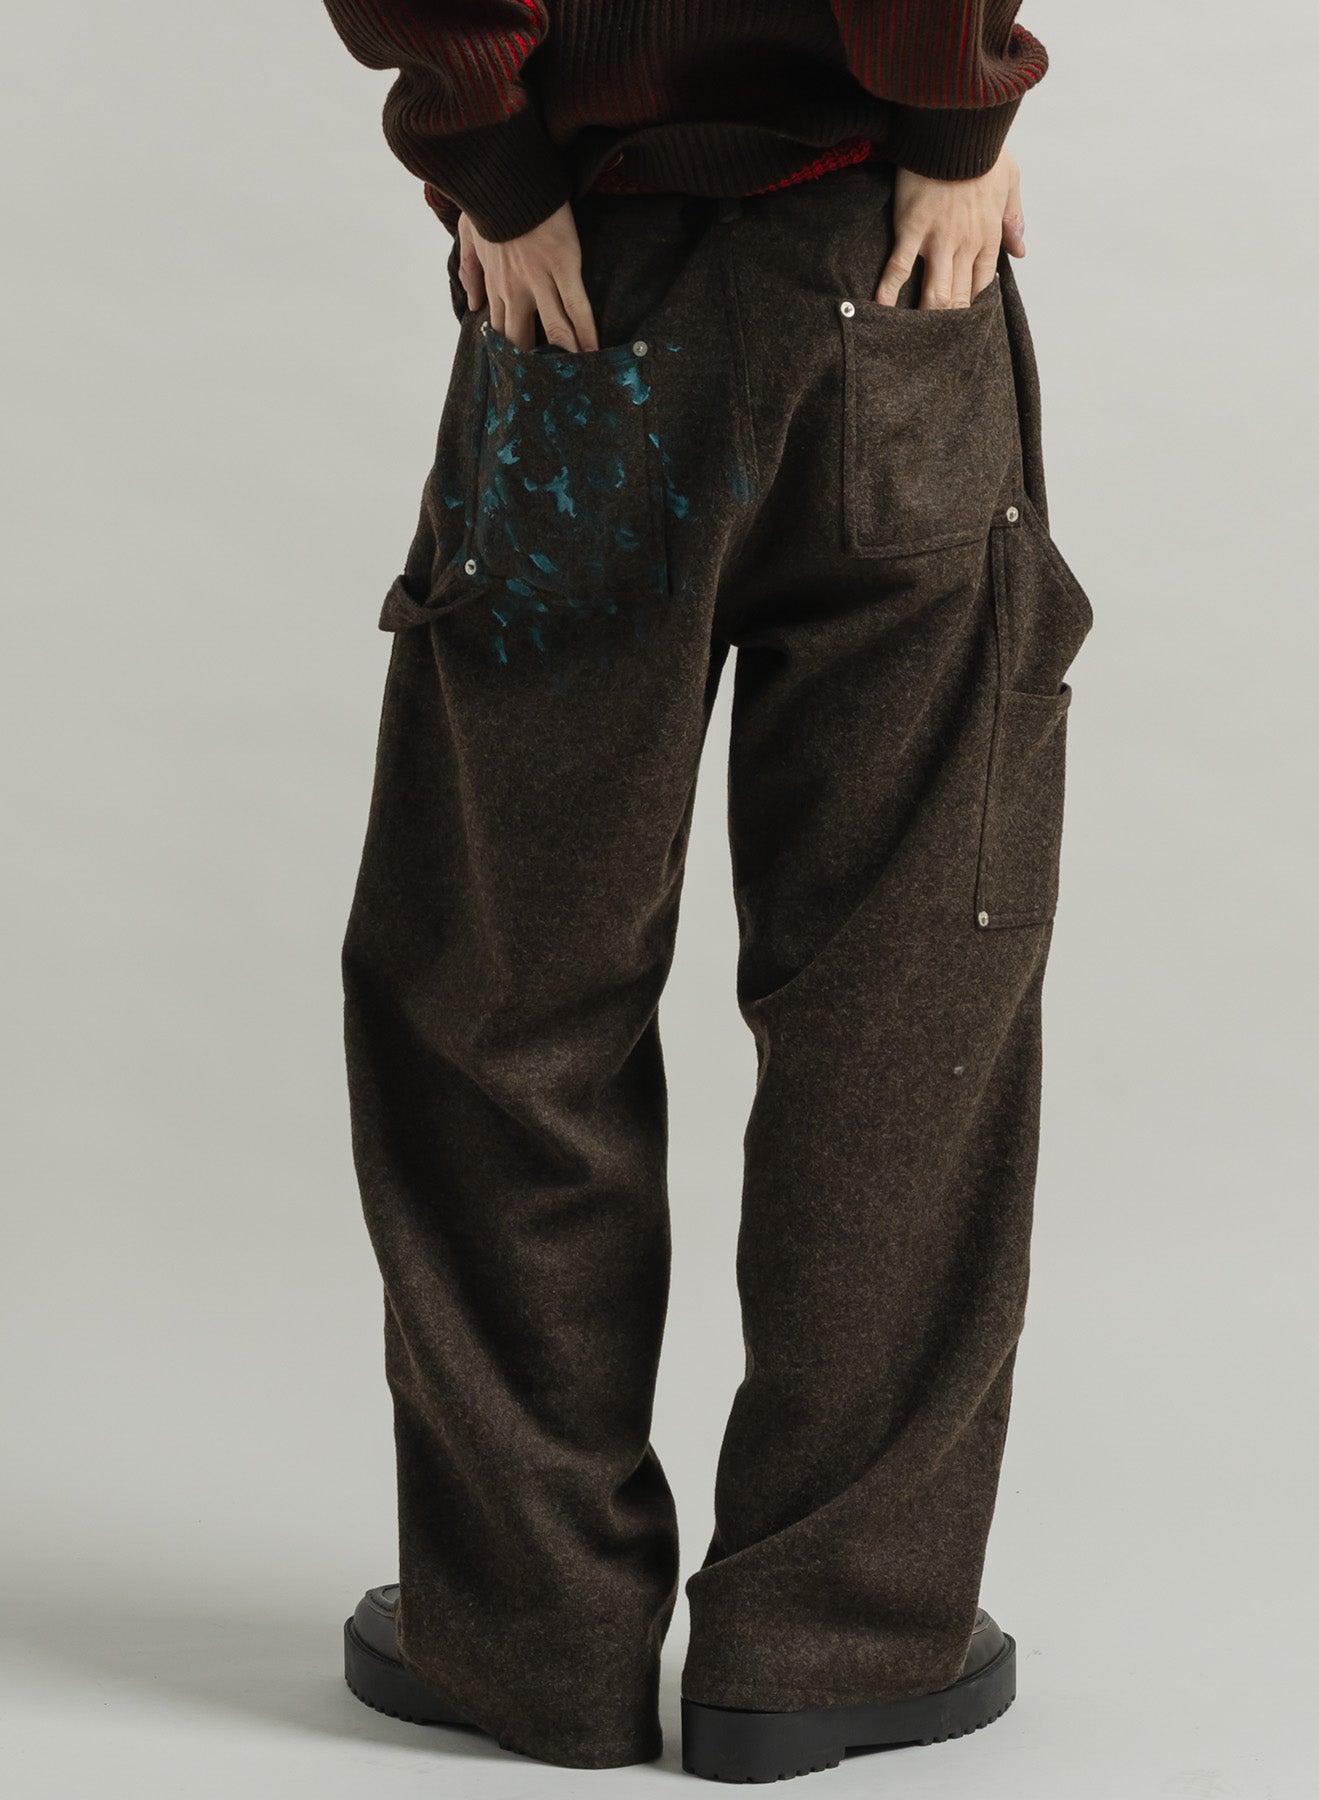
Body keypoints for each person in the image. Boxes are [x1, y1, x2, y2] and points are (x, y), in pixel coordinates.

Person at [320, 1, 1093, 1780]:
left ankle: (533, 1631)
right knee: (904, 985)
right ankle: (837, 1640)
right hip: (889, 261)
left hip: (581, 283)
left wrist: (492, 152)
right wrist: (954, 111)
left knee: (508, 989)